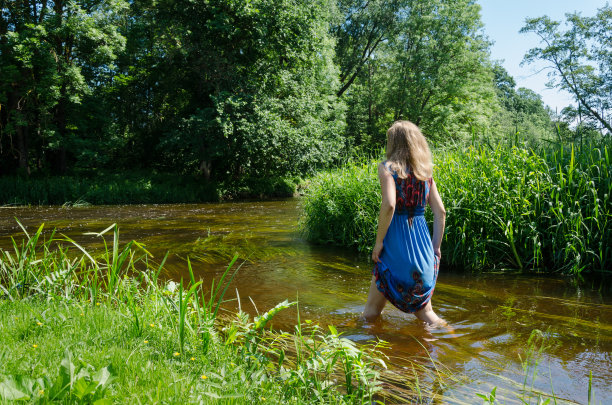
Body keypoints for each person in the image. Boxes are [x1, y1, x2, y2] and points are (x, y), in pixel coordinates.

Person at [362, 120, 446, 326]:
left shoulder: (387, 168)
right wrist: (435, 248)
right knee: (428, 316)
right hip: (423, 249)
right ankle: (454, 340)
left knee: (370, 314)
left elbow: (390, 205)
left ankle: (359, 349)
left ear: (393, 143)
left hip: (395, 248)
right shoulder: (426, 173)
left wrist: (379, 243)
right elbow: (441, 212)